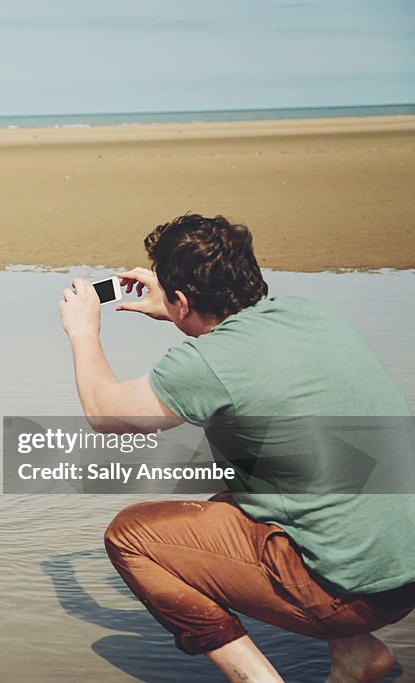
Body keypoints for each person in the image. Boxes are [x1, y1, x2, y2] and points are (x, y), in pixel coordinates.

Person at [57, 213, 415, 682]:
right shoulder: (310, 313)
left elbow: (107, 414)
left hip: (352, 594)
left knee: (133, 537)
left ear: (182, 298)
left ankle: (256, 678)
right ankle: (356, 656)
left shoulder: (206, 363)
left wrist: (83, 333)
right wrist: (179, 310)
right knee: (243, 486)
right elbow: (239, 357)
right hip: (404, 570)